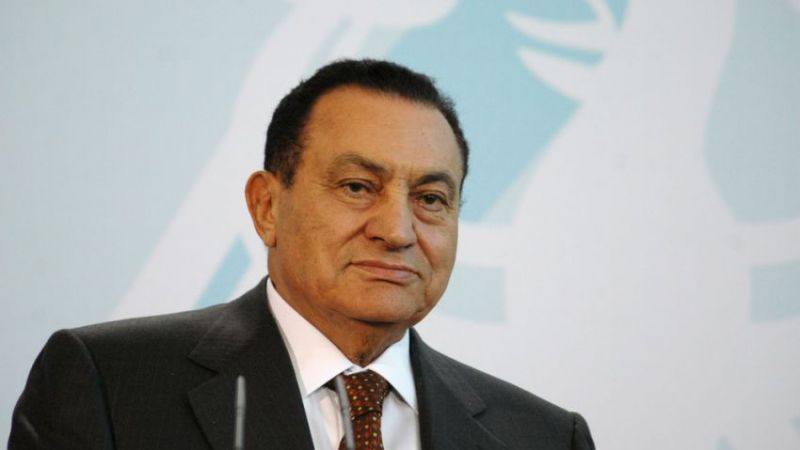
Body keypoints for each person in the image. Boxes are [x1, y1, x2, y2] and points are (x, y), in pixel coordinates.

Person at [9, 59, 595, 450]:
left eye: (430, 198)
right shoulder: (109, 387)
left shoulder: (544, 437)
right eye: (357, 187)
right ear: (267, 206)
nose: (397, 230)